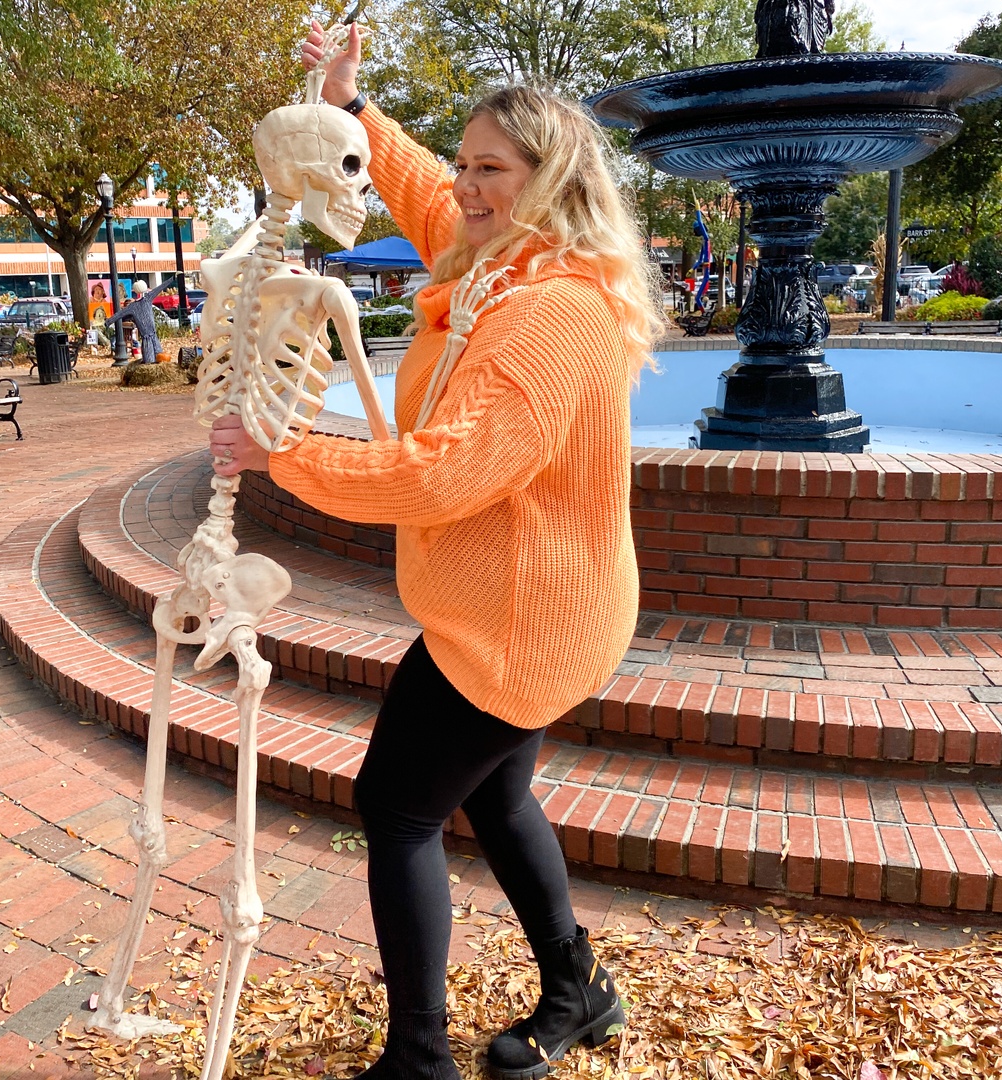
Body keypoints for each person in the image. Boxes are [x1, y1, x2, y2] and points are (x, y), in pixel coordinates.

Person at [211, 21, 665, 1080]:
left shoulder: (551, 311)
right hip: (539, 607)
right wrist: (354, 106)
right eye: (464, 163)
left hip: (515, 627)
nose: (463, 185)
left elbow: (448, 470)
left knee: (398, 806)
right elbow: (418, 191)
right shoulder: (500, 258)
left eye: (490, 169)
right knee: (498, 798)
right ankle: (580, 989)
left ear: (547, 180)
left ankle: (418, 1060)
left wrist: (287, 455)